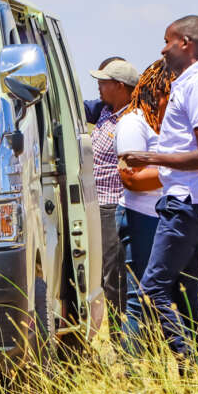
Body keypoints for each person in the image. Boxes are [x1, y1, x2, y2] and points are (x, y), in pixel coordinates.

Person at [120, 15, 198, 366]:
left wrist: (151, 156)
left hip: (186, 201)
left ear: (186, 43)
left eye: (167, 40)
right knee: (182, 291)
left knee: (152, 289)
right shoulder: (193, 83)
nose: (163, 49)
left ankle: (188, 363)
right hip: (189, 199)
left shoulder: (197, 85)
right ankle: (196, 378)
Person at [114, 59, 175, 349]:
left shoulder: (164, 123)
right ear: (156, 89)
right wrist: (178, 172)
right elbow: (132, 177)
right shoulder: (133, 122)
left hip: (161, 216)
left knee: (157, 297)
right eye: (169, 91)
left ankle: (152, 366)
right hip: (141, 218)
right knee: (140, 297)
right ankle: (134, 374)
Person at [87, 57, 140, 330]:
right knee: (99, 274)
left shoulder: (131, 120)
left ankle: (124, 342)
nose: (98, 86)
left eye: (103, 82)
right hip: (97, 205)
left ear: (120, 86)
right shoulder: (107, 111)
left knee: (113, 276)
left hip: (112, 206)